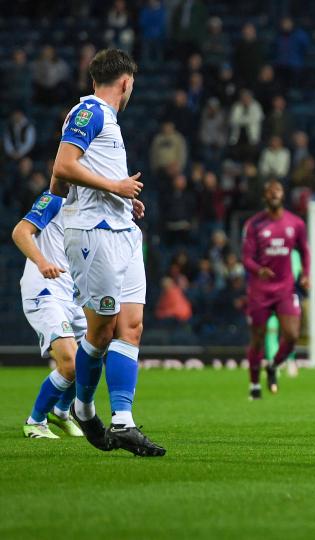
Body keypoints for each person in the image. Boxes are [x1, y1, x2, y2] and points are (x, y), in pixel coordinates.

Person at [51, 48, 164, 457]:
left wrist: (122, 200)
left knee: (132, 326)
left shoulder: (109, 121)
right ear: (127, 82)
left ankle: (123, 421)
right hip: (93, 235)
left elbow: (83, 175)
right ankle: (82, 408)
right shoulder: (89, 113)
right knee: (100, 333)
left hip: (122, 231)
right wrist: (115, 187)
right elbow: (63, 167)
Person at [13, 191, 87, 439]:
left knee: (90, 358)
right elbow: (20, 232)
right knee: (70, 362)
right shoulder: (55, 199)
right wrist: (42, 262)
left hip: (72, 295)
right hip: (45, 290)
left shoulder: (89, 209)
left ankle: (61, 411)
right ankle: (35, 421)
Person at [241, 179, 310, 399]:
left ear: (283, 194)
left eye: (277, 191)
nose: (274, 194)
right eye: (269, 192)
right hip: (260, 291)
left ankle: (273, 366)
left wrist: (306, 274)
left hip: (285, 289)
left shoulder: (295, 223)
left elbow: (305, 251)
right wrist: (258, 270)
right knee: (258, 338)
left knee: (292, 335)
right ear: (264, 196)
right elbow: (246, 258)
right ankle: (254, 385)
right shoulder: (254, 225)